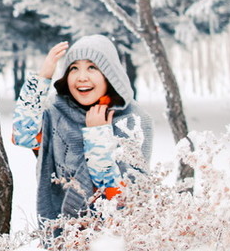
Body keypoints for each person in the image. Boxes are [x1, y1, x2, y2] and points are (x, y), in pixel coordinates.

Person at [12, 34, 153, 224]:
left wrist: (97, 136)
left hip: (114, 240)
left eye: (92, 67)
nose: (82, 77)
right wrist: (42, 77)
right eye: (74, 68)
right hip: (60, 232)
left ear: (109, 74)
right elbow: (23, 135)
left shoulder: (132, 121)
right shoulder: (57, 111)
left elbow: (124, 197)